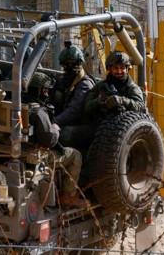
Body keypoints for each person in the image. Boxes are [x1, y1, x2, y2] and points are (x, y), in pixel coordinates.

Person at [26, 71, 86, 209]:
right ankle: (68, 197)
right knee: (75, 155)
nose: (46, 94)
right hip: (37, 156)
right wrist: (56, 128)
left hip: (18, 153)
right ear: (37, 90)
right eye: (45, 90)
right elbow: (50, 140)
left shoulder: (16, 102)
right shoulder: (38, 111)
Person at [51, 42, 95, 149]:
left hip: (81, 124)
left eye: (73, 64)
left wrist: (55, 122)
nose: (69, 67)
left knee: (64, 134)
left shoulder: (85, 84)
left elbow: (74, 110)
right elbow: (52, 100)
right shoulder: (63, 80)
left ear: (80, 63)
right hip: (65, 119)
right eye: (66, 65)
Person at [84, 50, 145, 122]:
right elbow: (86, 108)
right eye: (116, 68)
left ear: (127, 69)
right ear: (109, 69)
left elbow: (140, 107)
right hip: (99, 124)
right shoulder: (100, 86)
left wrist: (121, 100)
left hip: (124, 126)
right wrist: (101, 101)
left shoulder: (132, 88)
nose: (119, 71)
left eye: (122, 68)